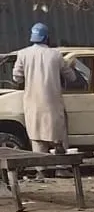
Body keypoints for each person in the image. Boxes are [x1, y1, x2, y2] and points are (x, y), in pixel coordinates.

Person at [12, 24, 74, 177]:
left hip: (32, 103)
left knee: (37, 136)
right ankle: (62, 167)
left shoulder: (23, 54)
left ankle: (42, 170)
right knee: (58, 136)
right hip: (52, 102)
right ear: (47, 37)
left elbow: (16, 77)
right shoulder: (56, 55)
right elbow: (71, 77)